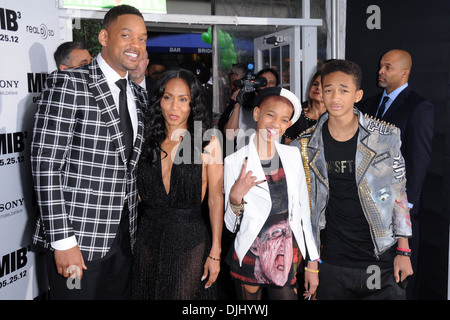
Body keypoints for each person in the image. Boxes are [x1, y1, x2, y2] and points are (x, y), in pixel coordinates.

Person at [31, 4, 149, 300]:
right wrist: (62, 240)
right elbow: (46, 165)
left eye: (143, 38)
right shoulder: (70, 83)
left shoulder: (137, 94)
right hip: (77, 243)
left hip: (123, 242)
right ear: (104, 37)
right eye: (127, 35)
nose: (136, 45)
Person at [293, 59, 413, 300]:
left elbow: (399, 194)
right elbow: (304, 210)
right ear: (321, 93)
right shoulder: (304, 146)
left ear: (357, 95)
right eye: (328, 89)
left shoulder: (385, 137)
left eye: (343, 90)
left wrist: (404, 250)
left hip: (381, 256)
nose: (335, 96)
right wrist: (311, 264)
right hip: (334, 259)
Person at [131, 69, 223, 300]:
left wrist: (216, 251)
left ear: (193, 103)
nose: (174, 107)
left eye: (183, 100)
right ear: (159, 100)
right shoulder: (144, 141)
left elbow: (215, 198)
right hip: (147, 239)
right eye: (168, 97)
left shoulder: (208, 142)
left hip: (189, 240)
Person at [223, 86, 320, 300]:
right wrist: (235, 197)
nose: (276, 124)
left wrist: (312, 262)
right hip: (250, 253)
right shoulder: (234, 162)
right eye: (270, 115)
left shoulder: (293, 156)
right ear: (256, 114)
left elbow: (304, 213)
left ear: (289, 124)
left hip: (287, 254)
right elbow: (230, 225)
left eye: (284, 119)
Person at [360, 49, 434, 299]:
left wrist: (407, 208)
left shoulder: (419, 107)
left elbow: (419, 160)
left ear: (405, 72)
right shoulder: (368, 104)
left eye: (388, 67)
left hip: (400, 208)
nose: (380, 71)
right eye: (381, 66)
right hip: (368, 206)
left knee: (399, 279)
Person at [219, 68, 280, 155]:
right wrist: (237, 106)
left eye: (272, 83)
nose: (267, 86)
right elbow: (230, 135)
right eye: (263, 82)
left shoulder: (281, 108)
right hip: (243, 159)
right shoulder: (244, 106)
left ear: (277, 86)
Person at [283, 70, 325, 144]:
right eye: (315, 84)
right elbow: (287, 144)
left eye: (323, 85)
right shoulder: (296, 113)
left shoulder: (335, 116)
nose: (318, 87)